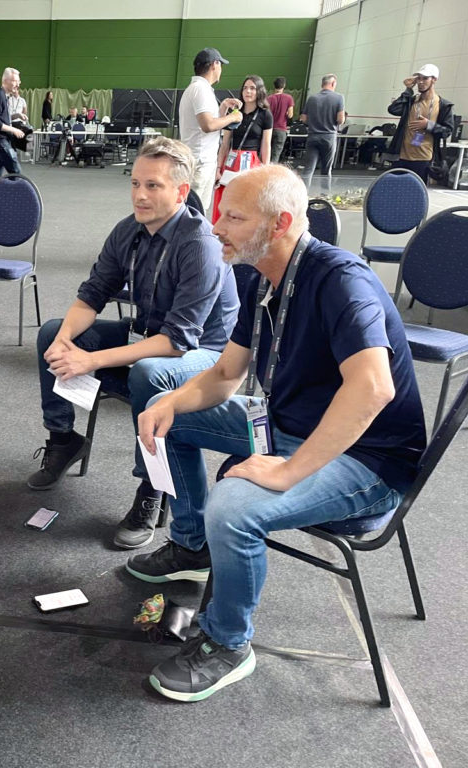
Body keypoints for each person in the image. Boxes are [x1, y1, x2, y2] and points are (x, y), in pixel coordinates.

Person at [127, 164, 426, 702]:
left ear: (281, 222)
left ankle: (229, 644)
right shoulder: (259, 275)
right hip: (290, 427)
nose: (216, 225)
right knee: (166, 414)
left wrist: (288, 471)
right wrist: (169, 402)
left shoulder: (341, 280)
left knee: (234, 507)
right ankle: (192, 546)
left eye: (234, 217)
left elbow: (373, 388)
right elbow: (224, 374)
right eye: (220, 212)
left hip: (368, 461)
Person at [28, 137, 239, 549]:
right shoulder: (129, 230)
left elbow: (178, 342)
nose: (140, 195)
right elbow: (92, 294)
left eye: (154, 186)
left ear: (180, 191)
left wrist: (90, 360)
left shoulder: (200, 245)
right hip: (149, 339)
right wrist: (67, 341)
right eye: (136, 183)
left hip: (204, 357)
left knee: (148, 372)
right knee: (52, 332)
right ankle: (63, 439)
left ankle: (151, 488)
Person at [178, 47, 243, 213]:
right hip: (200, 162)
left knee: (195, 211)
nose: (221, 69)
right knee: (193, 213)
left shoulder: (199, 89)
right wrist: (233, 117)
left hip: (200, 160)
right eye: (221, 65)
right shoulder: (201, 89)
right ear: (215, 64)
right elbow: (208, 125)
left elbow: (208, 124)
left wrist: (222, 109)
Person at [212, 75, 273, 222]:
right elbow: (225, 143)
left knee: (247, 201)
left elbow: (266, 144)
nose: (248, 91)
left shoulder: (265, 115)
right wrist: (218, 167)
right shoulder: (234, 114)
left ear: (259, 91)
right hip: (232, 160)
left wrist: (266, 170)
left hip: (252, 163)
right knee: (225, 197)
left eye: (252, 88)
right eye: (245, 88)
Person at [386, 64, 455, 185]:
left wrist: (428, 125)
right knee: (395, 191)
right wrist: (408, 90)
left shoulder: (443, 105)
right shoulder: (412, 101)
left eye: (425, 78)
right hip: (402, 155)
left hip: (423, 158)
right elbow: (393, 109)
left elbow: (447, 131)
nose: (421, 82)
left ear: (434, 80)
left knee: (415, 193)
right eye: (419, 78)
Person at [0, 67, 27, 197]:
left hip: (1, 140)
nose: (18, 84)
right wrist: (14, 130)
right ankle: (22, 201)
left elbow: (3, 118)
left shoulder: (4, 96)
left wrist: (16, 115)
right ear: (6, 80)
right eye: (15, 81)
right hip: (0, 141)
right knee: (16, 172)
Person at [298, 74, 345, 193]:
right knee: (326, 169)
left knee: (308, 169)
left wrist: (314, 123)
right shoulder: (339, 97)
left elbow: (303, 118)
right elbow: (340, 120)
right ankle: (325, 195)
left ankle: (302, 196)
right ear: (333, 84)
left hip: (313, 136)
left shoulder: (312, 98)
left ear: (322, 84)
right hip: (329, 137)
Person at [266, 77, 294, 163]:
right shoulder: (289, 98)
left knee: (266, 152)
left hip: (269, 129)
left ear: (274, 85)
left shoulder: (269, 98)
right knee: (276, 154)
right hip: (281, 129)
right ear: (284, 86)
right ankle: (272, 173)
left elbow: (265, 114)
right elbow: (290, 115)